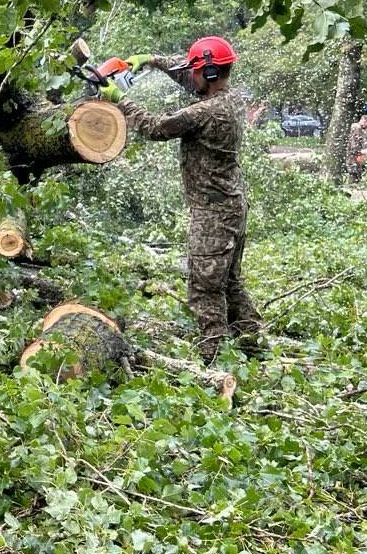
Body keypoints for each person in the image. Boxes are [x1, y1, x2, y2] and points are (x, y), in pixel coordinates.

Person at [106, 37, 263, 361]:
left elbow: (155, 127)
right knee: (229, 281)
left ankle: (213, 358)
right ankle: (252, 347)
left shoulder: (205, 112)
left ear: (207, 73)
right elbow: (188, 75)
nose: (189, 77)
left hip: (213, 215)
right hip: (233, 206)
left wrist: (118, 99)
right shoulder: (231, 98)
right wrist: (150, 58)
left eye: (194, 71)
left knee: (205, 288)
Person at [347, 114, 367, 182]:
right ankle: (354, 182)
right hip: (353, 151)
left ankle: (357, 180)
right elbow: (354, 141)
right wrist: (356, 152)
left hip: (356, 151)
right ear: (363, 120)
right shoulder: (357, 127)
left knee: (358, 166)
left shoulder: (358, 127)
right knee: (354, 167)